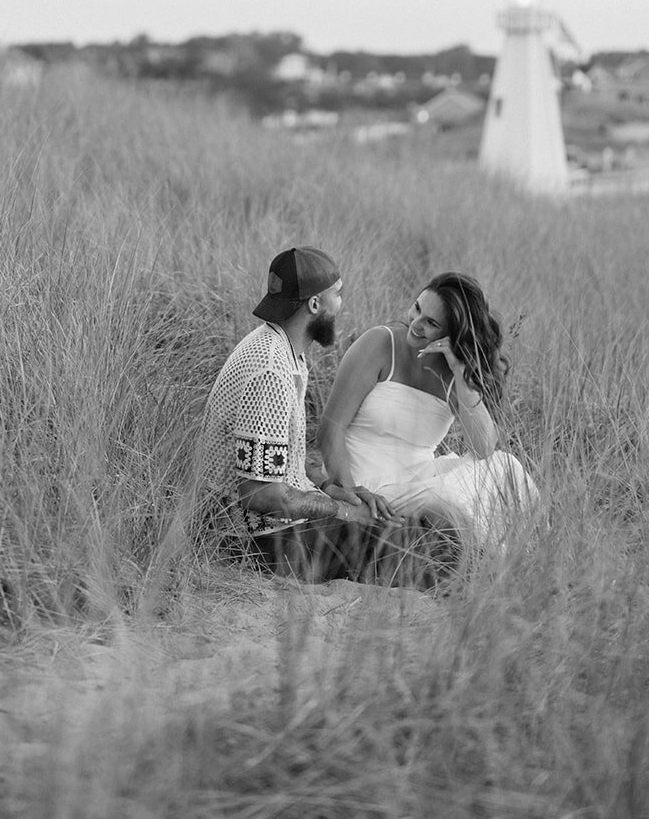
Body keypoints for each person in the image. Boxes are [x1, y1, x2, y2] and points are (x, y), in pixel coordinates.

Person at [197, 246, 452, 586]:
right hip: (257, 540)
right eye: (339, 294)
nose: (342, 304)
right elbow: (259, 493)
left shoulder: (283, 350)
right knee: (410, 550)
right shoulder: (271, 371)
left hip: (272, 527)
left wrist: (331, 488)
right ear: (315, 305)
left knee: (408, 531)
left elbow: (279, 463)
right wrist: (342, 511)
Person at [318, 271, 537, 550]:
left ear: (452, 334)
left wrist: (460, 371)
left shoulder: (452, 370)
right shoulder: (379, 343)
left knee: (507, 468)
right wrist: (351, 494)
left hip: (418, 478)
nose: (415, 324)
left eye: (431, 323)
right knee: (446, 497)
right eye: (417, 308)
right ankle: (491, 565)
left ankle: (526, 559)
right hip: (367, 483)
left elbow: (483, 448)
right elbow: (330, 429)